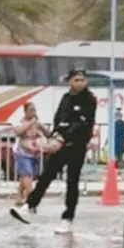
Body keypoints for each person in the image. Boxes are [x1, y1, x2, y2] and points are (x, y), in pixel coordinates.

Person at [10, 68, 97, 233]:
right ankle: (30, 205)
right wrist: (56, 135)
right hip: (60, 144)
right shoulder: (65, 98)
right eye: (76, 80)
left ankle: (68, 218)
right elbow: (59, 119)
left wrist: (64, 137)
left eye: (82, 80)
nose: (80, 83)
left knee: (72, 182)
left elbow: (83, 123)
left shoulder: (89, 99)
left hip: (76, 146)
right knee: (46, 175)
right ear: (69, 81)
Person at [11, 102, 47, 206]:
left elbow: (46, 133)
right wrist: (30, 124)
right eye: (31, 110)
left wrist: (41, 129)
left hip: (34, 153)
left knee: (25, 176)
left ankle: (19, 197)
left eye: (34, 110)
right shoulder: (20, 122)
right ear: (25, 111)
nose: (33, 112)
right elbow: (18, 132)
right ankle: (30, 197)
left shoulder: (37, 123)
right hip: (22, 152)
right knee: (28, 174)